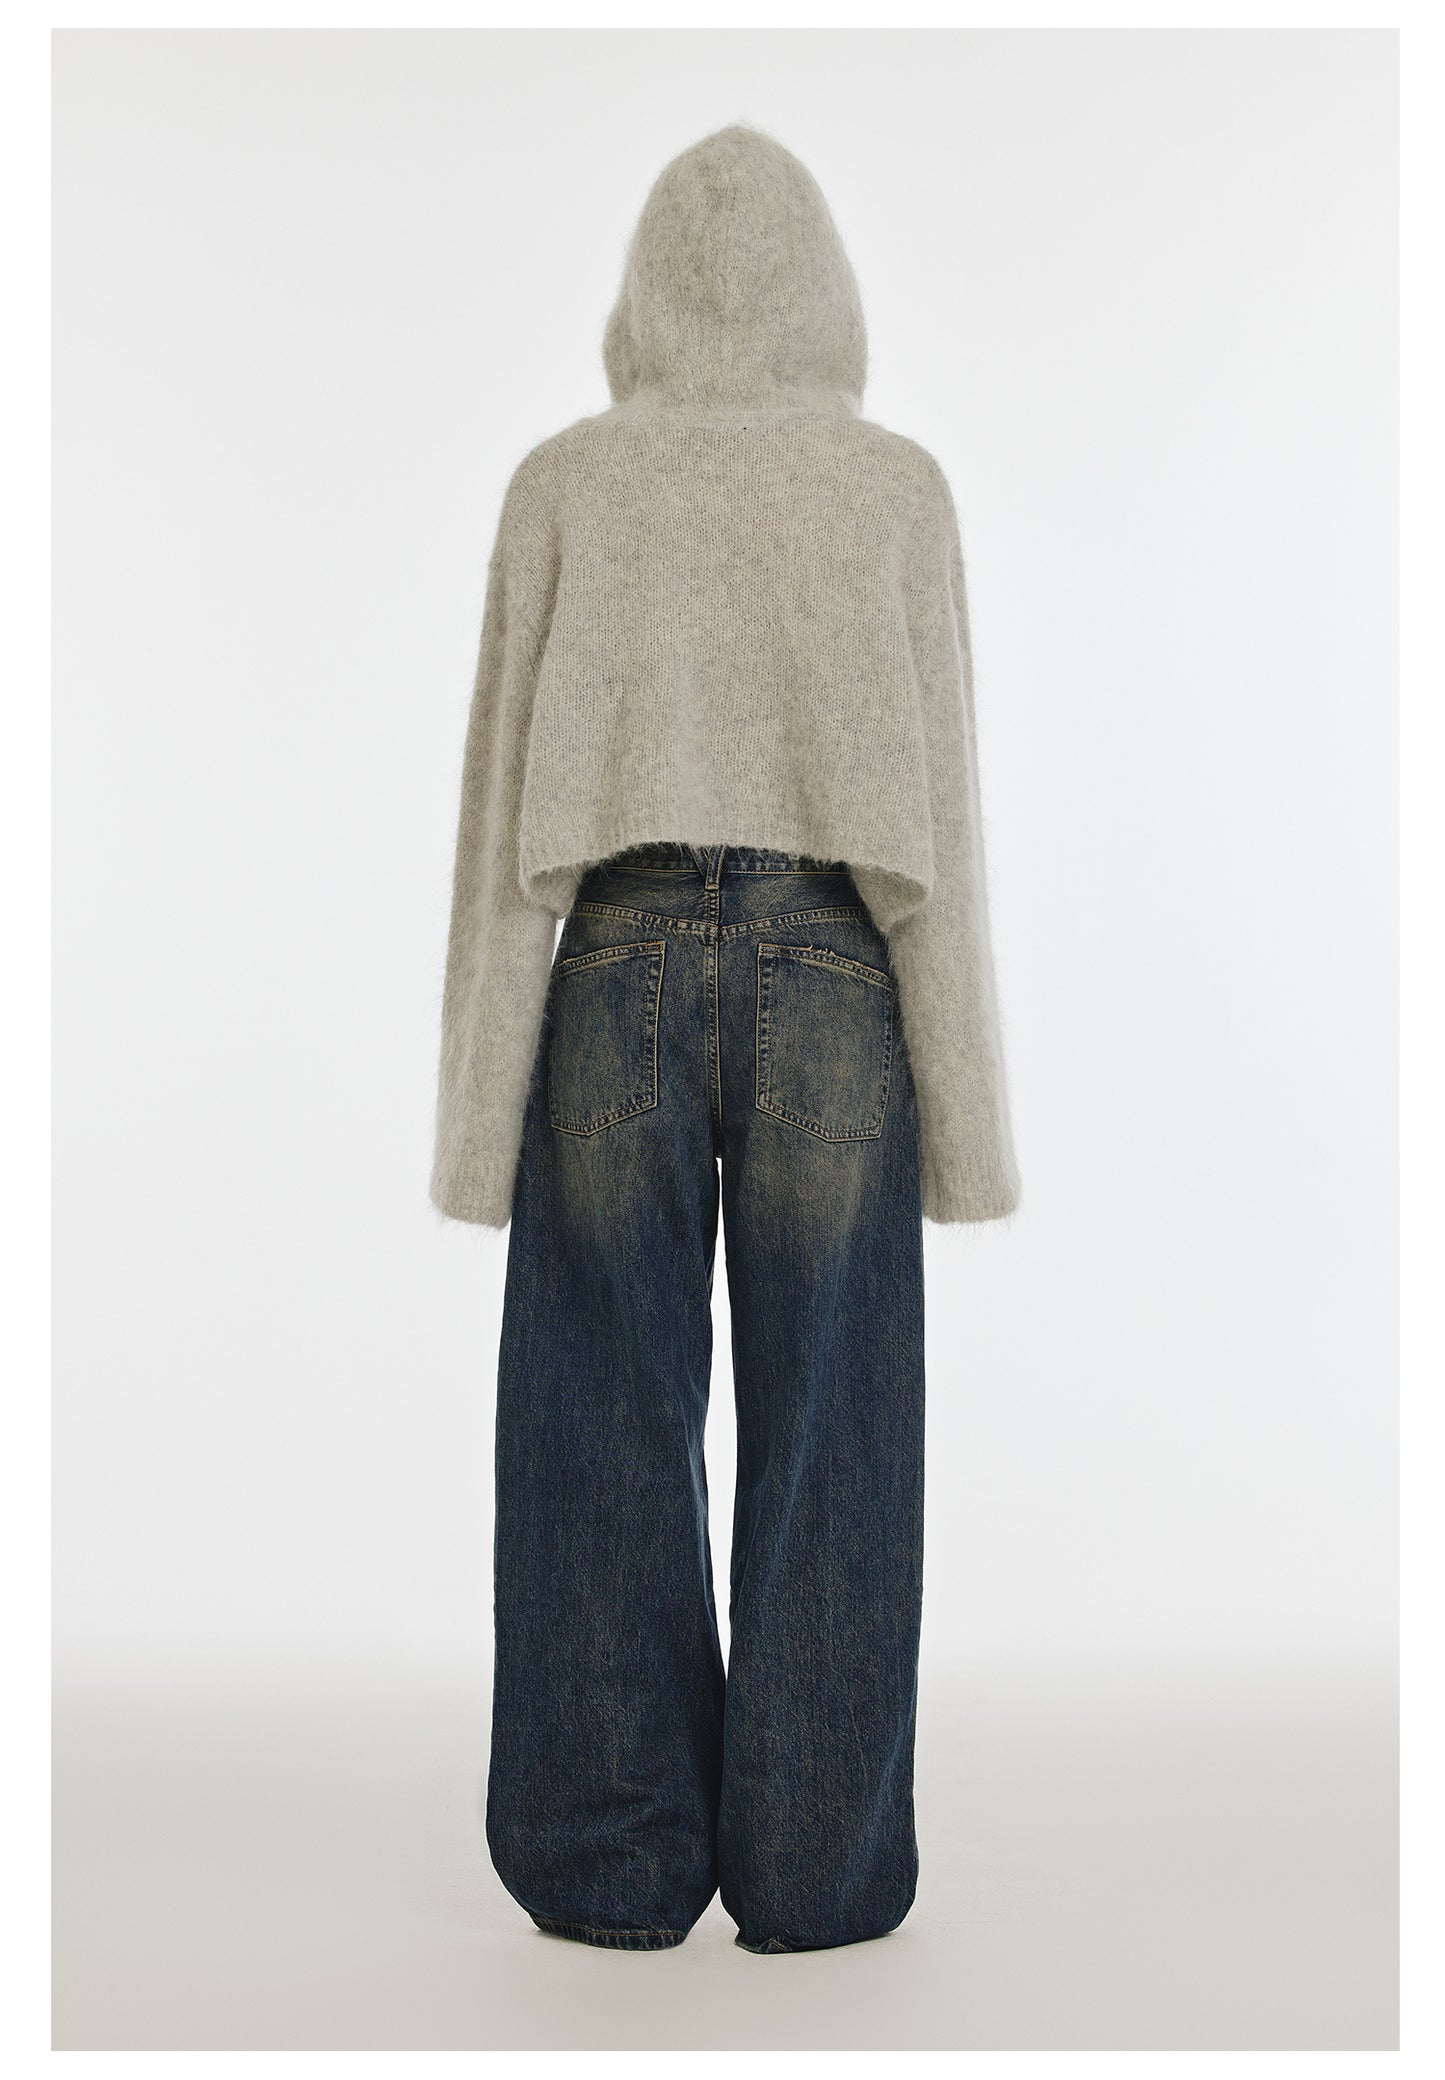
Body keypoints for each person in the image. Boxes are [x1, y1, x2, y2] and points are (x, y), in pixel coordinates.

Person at [430, 123, 1019, 1955]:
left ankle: (607, 1865)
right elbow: (943, 835)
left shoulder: (562, 484)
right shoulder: (894, 490)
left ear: (642, 299)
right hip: (835, 964)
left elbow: (497, 827)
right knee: (836, 1415)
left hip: (608, 957)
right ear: (828, 293)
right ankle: (817, 1872)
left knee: (594, 1405)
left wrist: (474, 1123)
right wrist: (970, 1128)